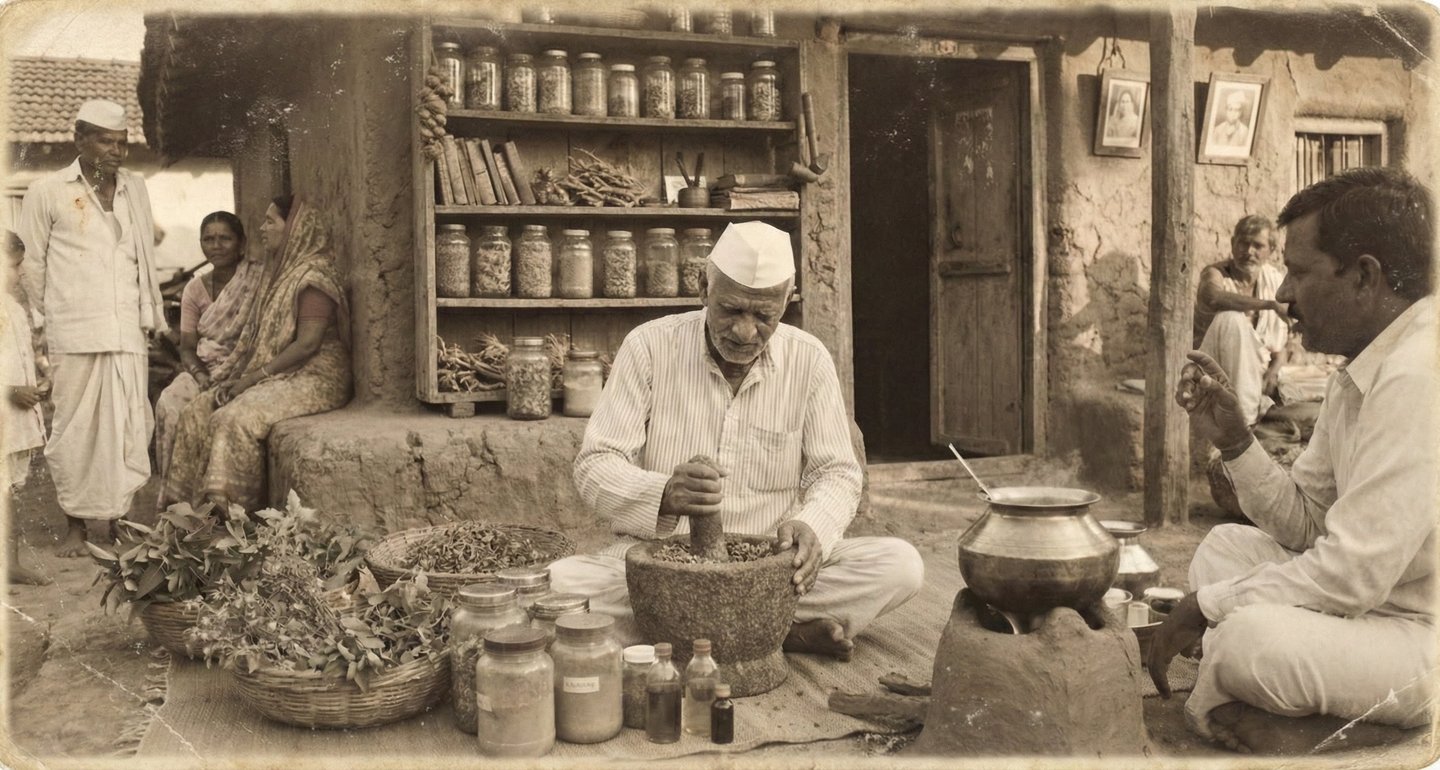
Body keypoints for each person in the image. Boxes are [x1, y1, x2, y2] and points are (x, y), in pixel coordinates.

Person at [1147, 167, 1436, 754]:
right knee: (1222, 551)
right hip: (1371, 607)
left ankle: (1373, 724)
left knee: (1247, 640)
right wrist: (1235, 441)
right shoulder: (1363, 364)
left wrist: (1208, 608)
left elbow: (1348, 575)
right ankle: (1311, 702)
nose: (1281, 295)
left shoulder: (1417, 376)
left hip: (1421, 635)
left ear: (1364, 276)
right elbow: (1308, 524)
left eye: (1299, 273)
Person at [552, 221, 924, 659]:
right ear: (702, 287)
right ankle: (776, 633)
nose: (746, 332)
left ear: (787, 301)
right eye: (731, 310)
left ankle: (706, 631)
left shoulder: (809, 360)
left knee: (901, 566)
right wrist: (664, 494)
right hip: (663, 568)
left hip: (771, 570)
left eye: (764, 316)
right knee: (558, 585)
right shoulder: (648, 348)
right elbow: (596, 463)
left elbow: (836, 472)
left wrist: (814, 526)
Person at [17, 99, 167, 557]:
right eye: (105, 140)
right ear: (79, 139)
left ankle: (118, 522)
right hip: (75, 331)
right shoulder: (48, 191)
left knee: (128, 425)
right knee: (73, 430)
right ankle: (77, 529)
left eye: (121, 143)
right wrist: (54, 317)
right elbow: (32, 265)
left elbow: (143, 254)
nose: (116, 151)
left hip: (126, 331)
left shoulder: (134, 189)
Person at [160, 195, 352, 512]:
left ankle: (235, 513)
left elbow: (307, 345)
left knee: (232, 419)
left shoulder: (314, 277)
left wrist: (250, 380)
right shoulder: (283, 273)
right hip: (286, 373)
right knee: (199, 409)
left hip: (318, 376)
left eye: (270, 221)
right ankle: (188, 510)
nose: (263, 228)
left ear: (295, 228)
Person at [153, 212, 264, 485]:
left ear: (241, 243)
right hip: (206, 369)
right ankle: (176, 494)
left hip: (248, 369)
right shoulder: (194, 289)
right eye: (209, 239)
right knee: (170, 403)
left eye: (224, 238)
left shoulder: (259, 281)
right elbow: (188, 347)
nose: (216, 246)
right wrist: (201, 377)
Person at [1192, 215, 1290, 426]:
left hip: (1257, 375)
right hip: (1214, 370)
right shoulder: (1216, 274)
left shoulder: (1274, 280)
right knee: (1231, 318)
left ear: (1271, 251)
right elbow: (1212, 297)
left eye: (1258, 245)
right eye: (1243, 243)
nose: (1249, 252)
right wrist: (1269, 304)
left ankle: (1254, 410)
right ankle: (1244, 422)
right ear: (1233, 243)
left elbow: (1280, 347)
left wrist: (1272, 373)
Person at [3, 232, 53, 586]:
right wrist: (7, 391)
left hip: (14, 419)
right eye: (14, 265)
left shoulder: (14, 308)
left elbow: (25, 356)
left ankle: (10, 561)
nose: (19, 274)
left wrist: (39, 383)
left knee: (10, 491)